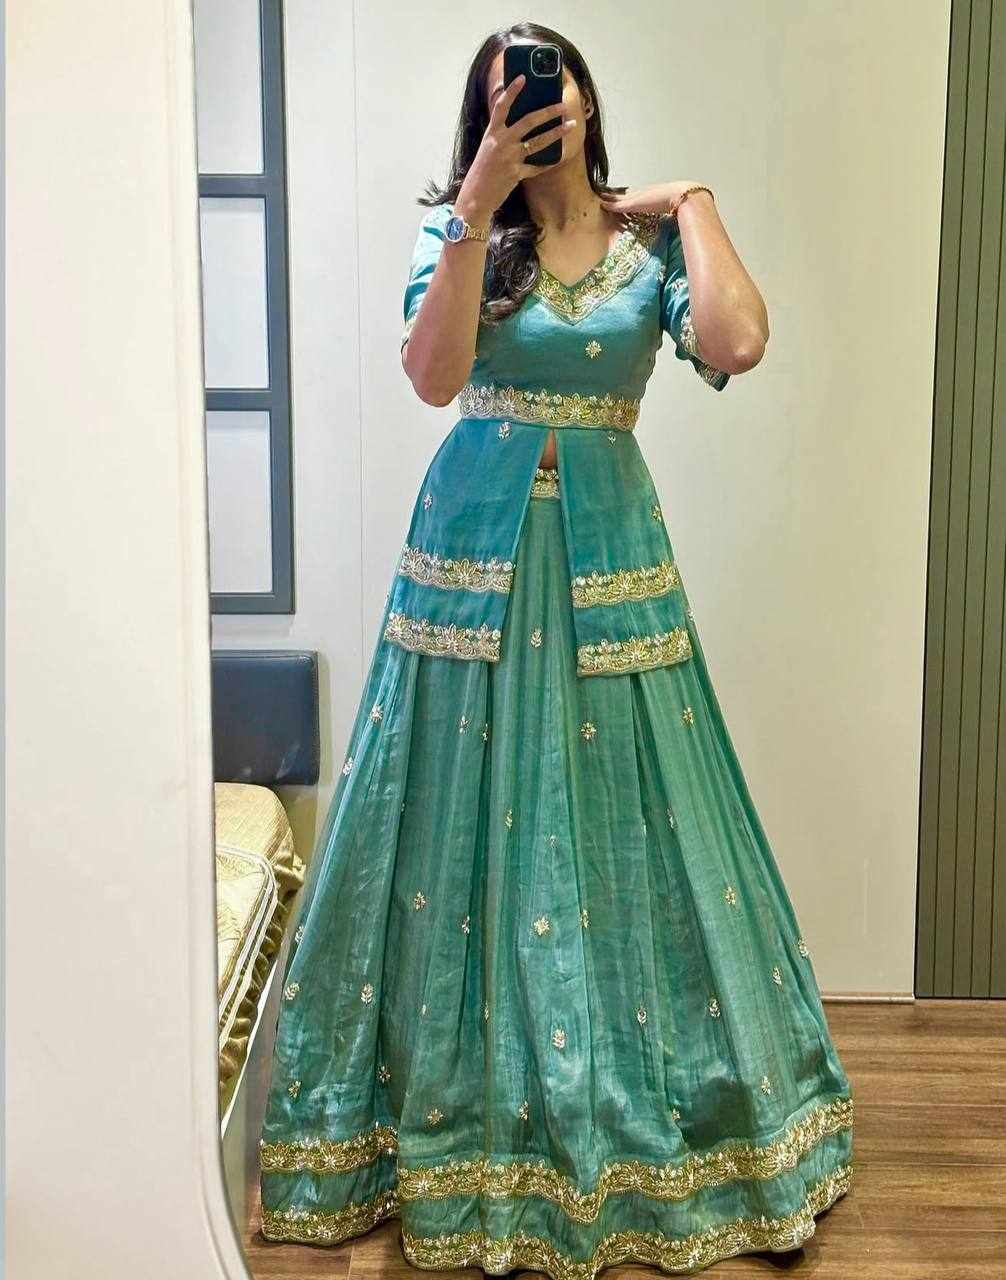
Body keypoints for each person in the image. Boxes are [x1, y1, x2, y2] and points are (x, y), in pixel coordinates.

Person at [257, 21, 854, 1279]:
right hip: (467, 565)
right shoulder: (460, 233)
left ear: (586, 97)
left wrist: (691, 201)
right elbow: (433, 378)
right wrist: (474, 207)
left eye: (551, 82)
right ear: (483, 121)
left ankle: (651, 1127)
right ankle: (438, 1133)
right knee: (445, 824)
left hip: (609, 561)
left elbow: (738, 341)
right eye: (504, 97)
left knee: (631, 819)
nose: (536, 105)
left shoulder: (648, 247)